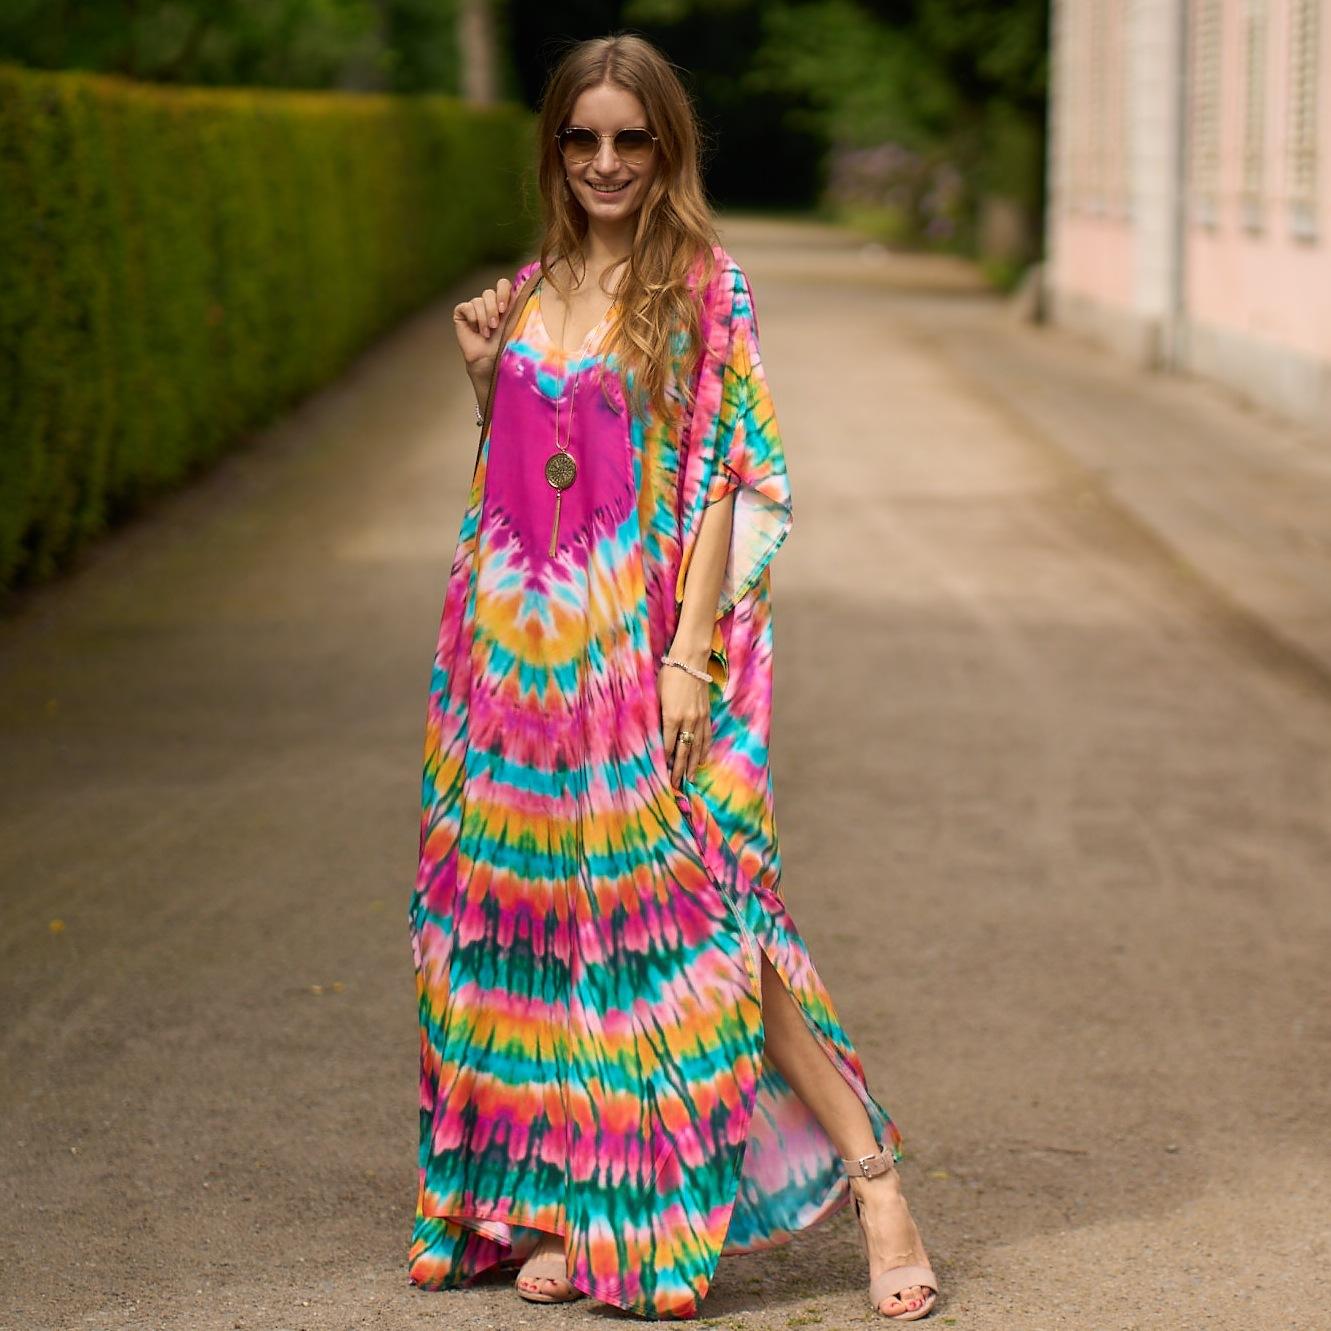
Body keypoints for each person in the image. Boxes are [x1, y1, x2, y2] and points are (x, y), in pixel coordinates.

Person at [405, 31, 939, 1323]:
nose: (604, 161)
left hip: (641, 657)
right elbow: (531, 480)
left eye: (629, 139)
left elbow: (729, 480)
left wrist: (688, 655)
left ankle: (877, 1183)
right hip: (512, 663)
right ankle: (561, 1203)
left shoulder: (704, 287)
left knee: (705, 920)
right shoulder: (526, 292)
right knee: (542, 918)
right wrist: (486, 384)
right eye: (581, 138)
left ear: (665, 148)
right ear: (554, 148)